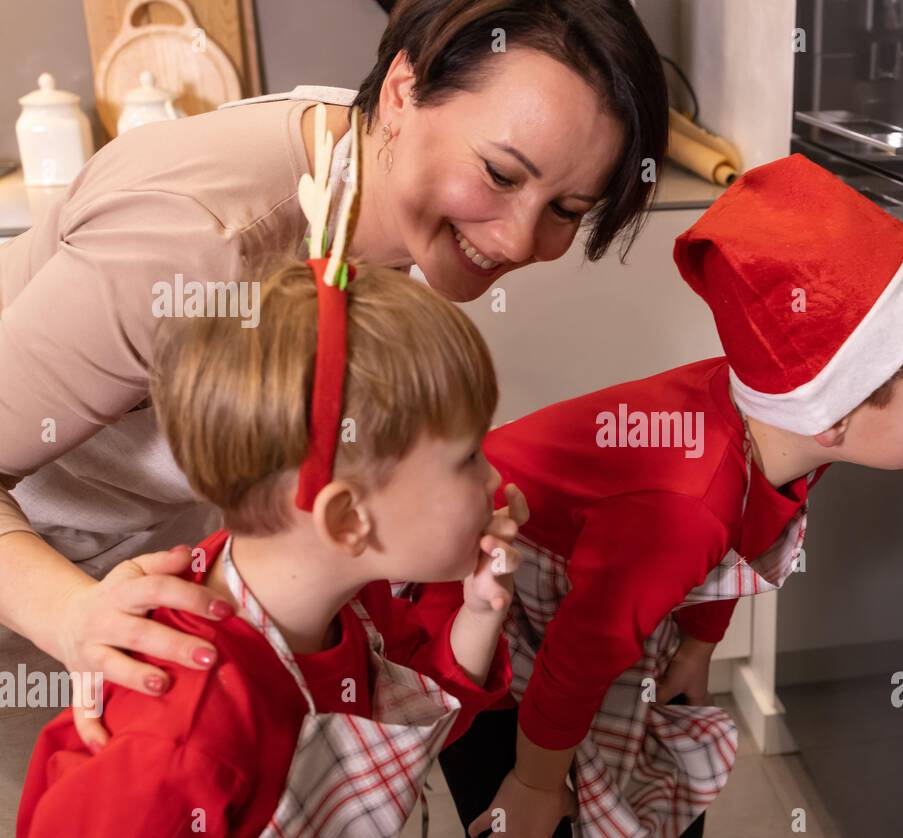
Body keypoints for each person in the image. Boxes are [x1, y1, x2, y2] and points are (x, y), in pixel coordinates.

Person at [0, 0, 667, 769]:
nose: (519, 239)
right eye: (499, 173)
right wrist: (70, 614)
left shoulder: (371, 183)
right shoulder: (193, 246)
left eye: (567, 211)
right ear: (401, 91)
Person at [434, 153, 903, 838]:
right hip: (480, 579)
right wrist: (536, 780)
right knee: (518, 828)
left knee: (658, 796)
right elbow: (581, 651)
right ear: (834, 413)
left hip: (591, 585)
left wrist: (697, 647)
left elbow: (742, 546)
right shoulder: (687, 506)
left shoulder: (785, 438)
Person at [16, 165, 527, 838]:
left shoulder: (330, 592)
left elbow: (410, 719)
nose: (495, 475)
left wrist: (479, 609)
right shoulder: (180, 736)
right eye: (469, 457)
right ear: (348, 519)